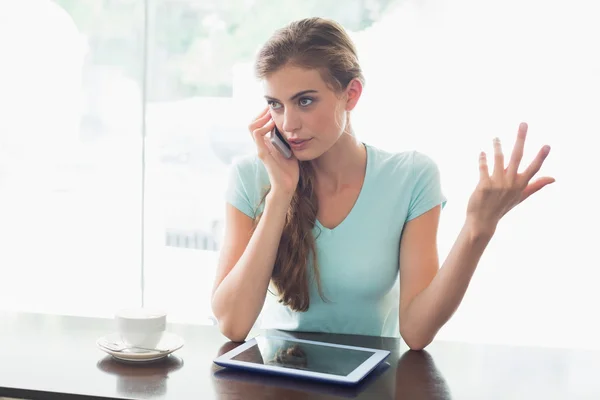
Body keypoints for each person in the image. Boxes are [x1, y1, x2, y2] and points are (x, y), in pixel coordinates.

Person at [211, 17, 554, 350]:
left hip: (369, 382)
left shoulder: (410, 176)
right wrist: (281, 194)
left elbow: (417, 333)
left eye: (305, 101)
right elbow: (233, 325)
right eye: (275, 105)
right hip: (278, 380)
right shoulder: (251, 176)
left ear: (352, 94)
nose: (288, 124)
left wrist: (478, 228)